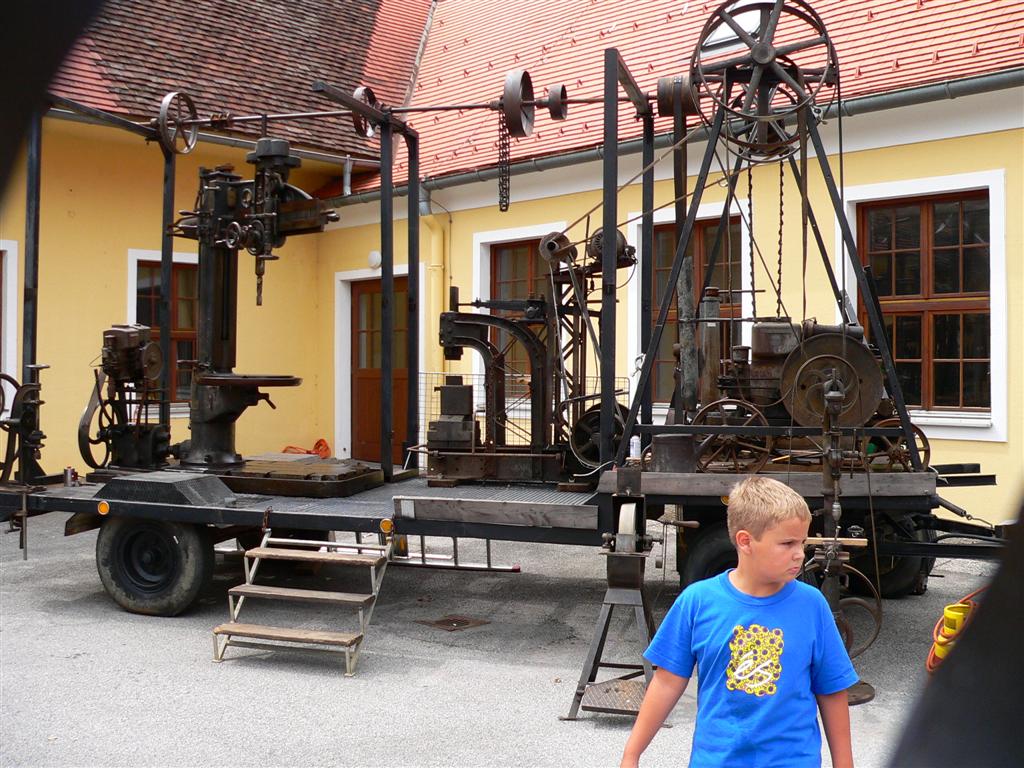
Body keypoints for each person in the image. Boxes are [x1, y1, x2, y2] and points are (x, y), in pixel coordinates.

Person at [621, 476, 857, 768]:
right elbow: (667, 683)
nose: (800, 553)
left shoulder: (813, 606)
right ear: (746, 541)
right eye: (787, 543)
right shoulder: (697, 602)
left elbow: (831, 689)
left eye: (803, 542)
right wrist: (632, 754)